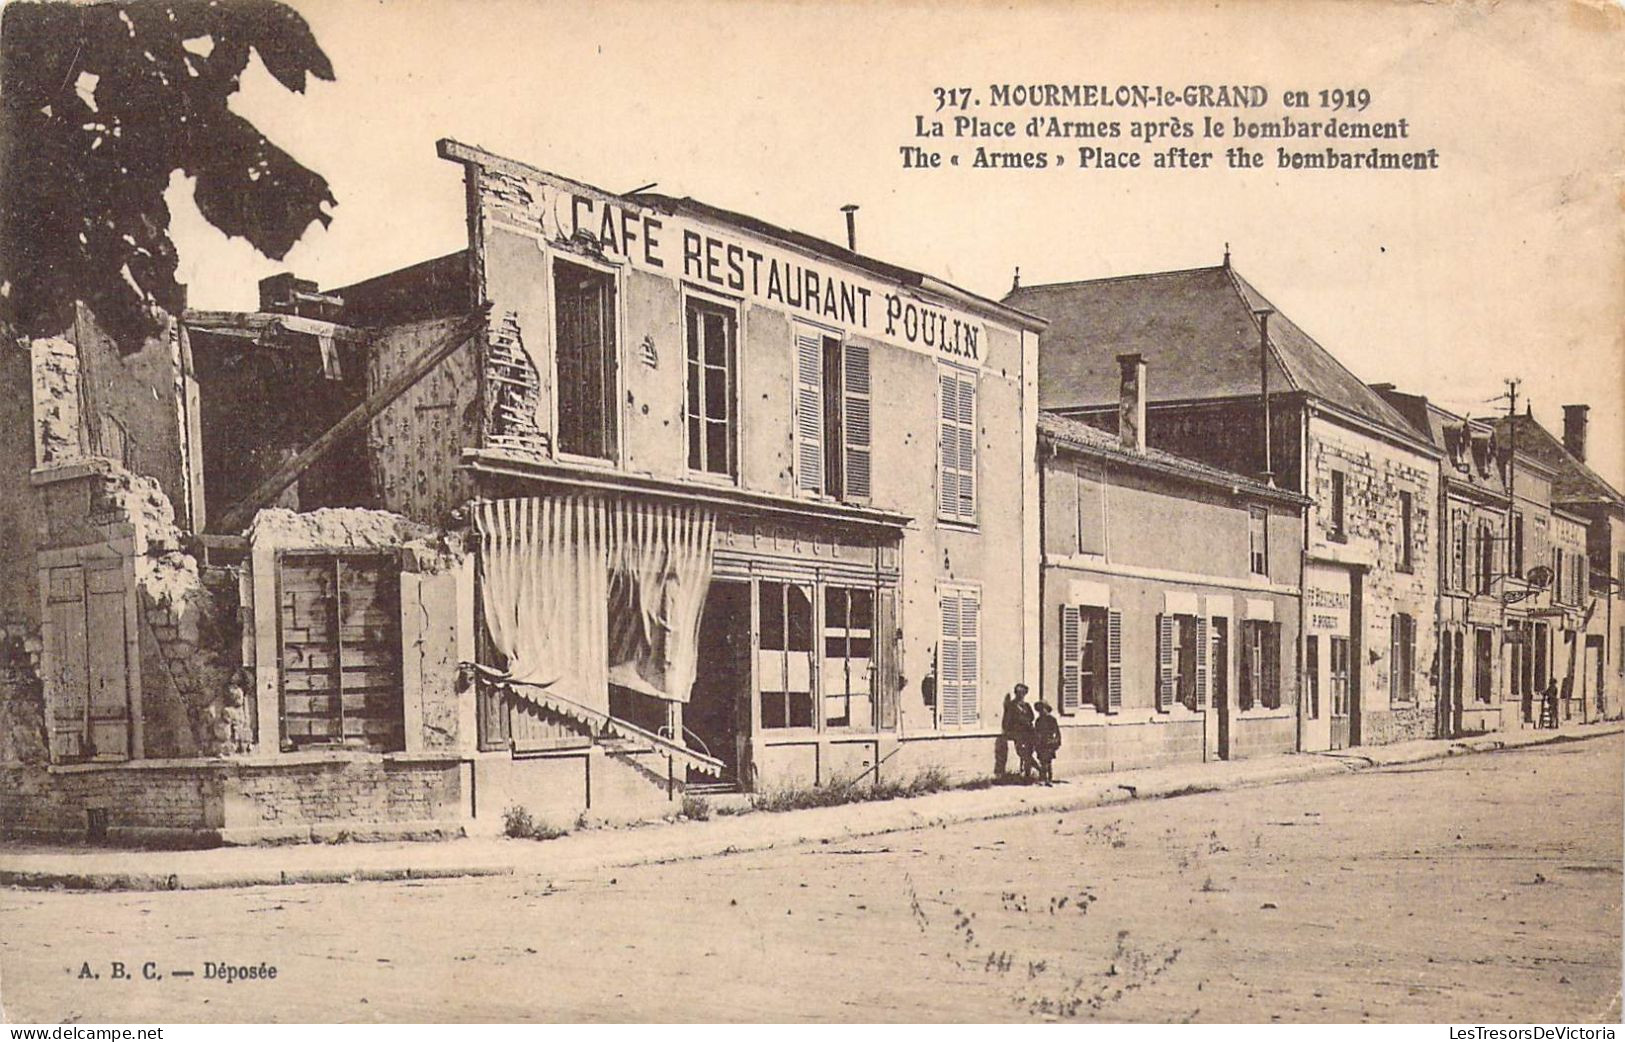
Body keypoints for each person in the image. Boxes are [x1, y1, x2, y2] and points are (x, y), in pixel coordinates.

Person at [1001, 683, 1036, 781]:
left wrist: (1026, 720)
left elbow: (1031, 717)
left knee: (1028, 753)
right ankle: (1039, 769)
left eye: (1023, 693)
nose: (1020, 695)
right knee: (1021, 752)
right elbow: (1007, 719)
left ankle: (1027, 775)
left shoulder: (1026, 705)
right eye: (1018, 693)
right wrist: (1006, 731)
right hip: (1018, 733)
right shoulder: (1012, 705)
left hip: (1028, 732)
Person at [1033, 701, 1061, 785]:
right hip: (1041, 743)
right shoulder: (1038, 720)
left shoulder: (1051, 720)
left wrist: (1056, 741)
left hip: (1049, 742)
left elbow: (1056, 731)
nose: (1041, 712)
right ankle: (1043, 778)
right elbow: (1036, 732)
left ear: (1047, 709)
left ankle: (1049, 778)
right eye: (1040, 710)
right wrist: (1036, 741)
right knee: (1042, 761)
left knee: (1048, 761)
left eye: (1043, 709)